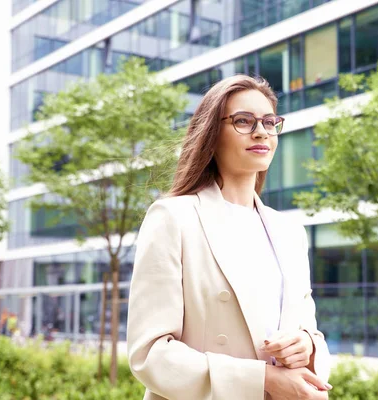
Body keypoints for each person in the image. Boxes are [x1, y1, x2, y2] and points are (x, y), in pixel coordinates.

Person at [127, 75, 331, 400]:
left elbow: (310, 330)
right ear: (211, 132)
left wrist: (306, 345)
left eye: (269, 121)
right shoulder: (173, 218)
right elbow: (150, 354)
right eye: (243, 121)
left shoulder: (289, 232)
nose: (261, 131)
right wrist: (262, 378)